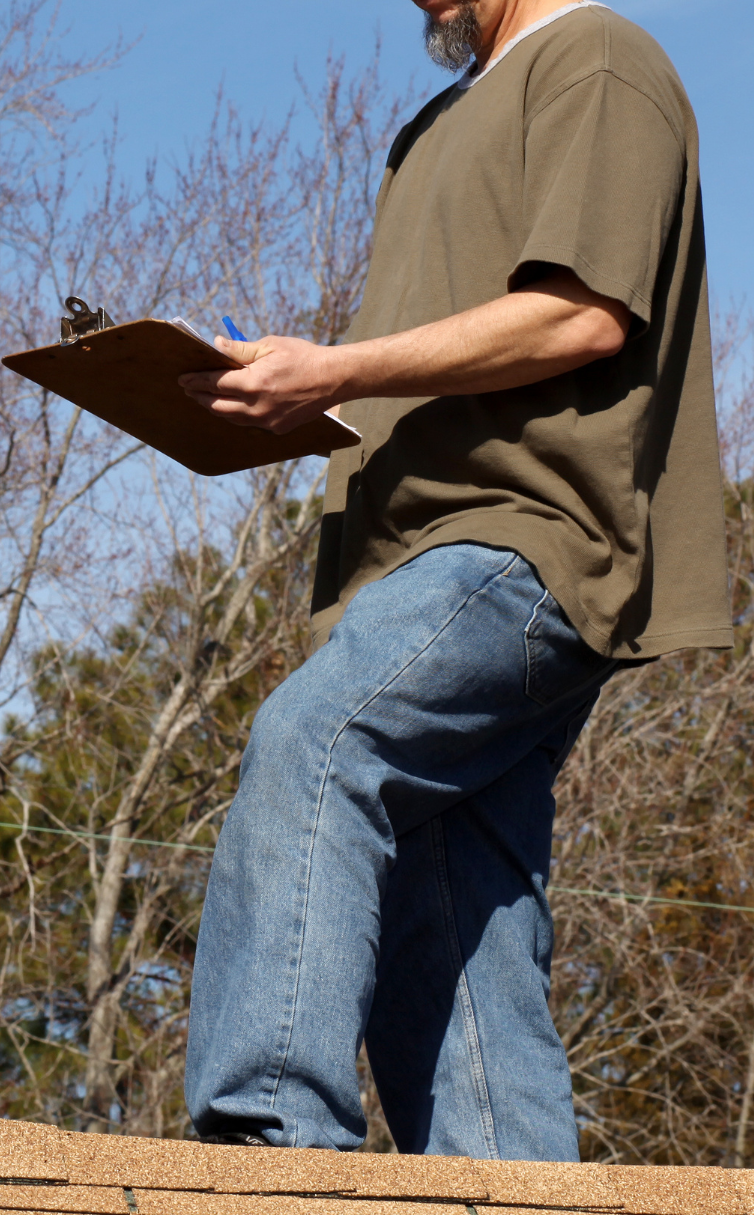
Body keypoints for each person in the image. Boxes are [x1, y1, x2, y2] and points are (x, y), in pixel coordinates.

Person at [178, 0, 733, 1161]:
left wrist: (336, 363)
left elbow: (582, 314)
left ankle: (268, 1144)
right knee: (457, 914)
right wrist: (289, 395)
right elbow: (428, 362)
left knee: (316, 746)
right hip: (405, 556)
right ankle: (510, 1180)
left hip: (525, 538)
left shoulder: (599, 58)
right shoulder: (433, 127)